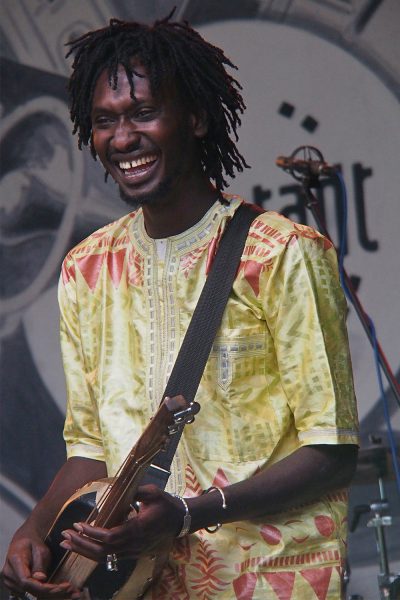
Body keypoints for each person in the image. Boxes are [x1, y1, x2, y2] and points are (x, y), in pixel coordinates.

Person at [2, 13, 359, 600]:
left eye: (144, 113)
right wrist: (32, 531)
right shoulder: (86, 267)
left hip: (270, 580)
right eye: (104, 121)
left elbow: (331, 449)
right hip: (142, 587)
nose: (122, 138)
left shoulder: (283, 253)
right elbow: (90, 450)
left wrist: (189, 513)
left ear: (194, 118)